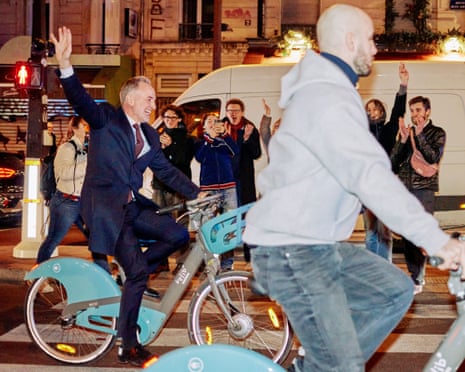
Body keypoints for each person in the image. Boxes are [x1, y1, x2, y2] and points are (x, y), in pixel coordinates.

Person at [242, 5, 465, 372]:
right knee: (342, 366)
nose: (375, 49)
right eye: (369, 39)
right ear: (349, 41)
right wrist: (436, 239)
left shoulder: (331, 92)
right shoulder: (327, 98)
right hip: (294, 250)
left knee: (394, 290)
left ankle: (320, 367)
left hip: (316, 246)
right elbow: (369, 175)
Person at [51, 26, 204, 367]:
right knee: (136, 273)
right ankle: (127, 344)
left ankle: (133, 270)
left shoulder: (149, 133)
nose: (154, 103)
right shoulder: (106, 119)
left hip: (131, 207)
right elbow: (80, 99)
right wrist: (65, 65)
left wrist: (197, 192)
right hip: (105, 209)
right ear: (131, 99)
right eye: (149, 98)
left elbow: (164, 170)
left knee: (178, 234)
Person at [36, 116, 109, 268]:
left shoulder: (90, 149)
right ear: (75, 128)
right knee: (53, 239)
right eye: (84, 125)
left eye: (89, 125)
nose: (88, 128)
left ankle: (105, 276)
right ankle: (38, 273)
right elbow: (63, 174)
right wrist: (89, 165)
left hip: (86, 201)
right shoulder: (67, 148)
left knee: (96, 239)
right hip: (66, 201)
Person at [391, 96, 446, 294]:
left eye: (418, 110)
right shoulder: (409, 132)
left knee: (421, 233)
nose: (414, 115)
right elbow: (393, 162)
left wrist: (420, 136)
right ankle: (416, 277)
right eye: (412, 111)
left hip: (424, 189)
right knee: (407, 234)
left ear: (427, 111)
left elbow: (433, 156)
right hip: (406, 189)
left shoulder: (437, 133)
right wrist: (403, 139)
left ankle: (435, 267)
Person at [362, 62, 409, 261]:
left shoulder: (389, 129)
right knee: (371, 232)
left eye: (375, 109)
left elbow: (398, 110)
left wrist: (403, 85)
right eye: (368, 109)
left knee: (385, 232)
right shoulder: (363, 130)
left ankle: (386, 268)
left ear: (381, 111)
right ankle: (374, 268)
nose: (371, 112)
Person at [151, 104, 196, 272]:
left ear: (179, 119)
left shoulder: (187, 139)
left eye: (173, 118)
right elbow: (153, 161)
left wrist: (170, 148)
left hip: (179, 187)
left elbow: (183, 161)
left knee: (181, 224)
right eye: (166, 118)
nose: (169, 121)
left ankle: (182, 263)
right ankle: (161, 261)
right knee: (159, 225)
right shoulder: (157, 137)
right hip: (160, 186)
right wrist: (161, 148)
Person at [224, 98, 261, 266]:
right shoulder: (221, 127)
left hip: (244, 182)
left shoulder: (250, 128)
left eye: (236, 110)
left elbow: (256, 153)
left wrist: (246, 139)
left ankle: (251, 256)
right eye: (230, 110)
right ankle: (227, 260)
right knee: (228, 220)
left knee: (248, 219)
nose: (233, 113)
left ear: (242, 112)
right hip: (226, 182)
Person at [195, 113, 238, 212]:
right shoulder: (200, 142)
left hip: (228, 186)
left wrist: (225, 135)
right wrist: (210, 139)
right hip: (208, 187)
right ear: (204, 126)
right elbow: (200, 157)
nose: (212, 123)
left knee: (230, 219)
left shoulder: (224, 141)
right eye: (209, 121)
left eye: (215, 121)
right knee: (208, 219)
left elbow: (235, 151)